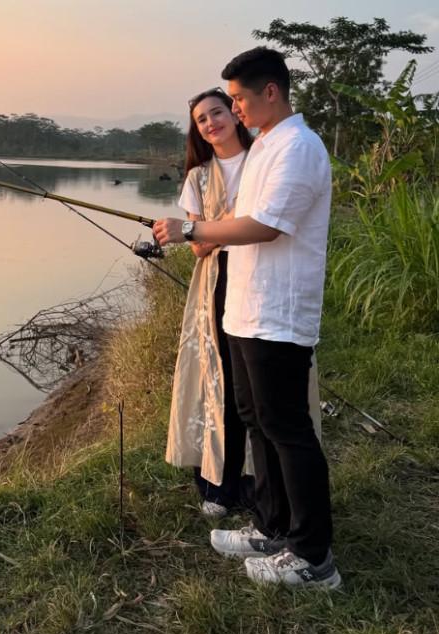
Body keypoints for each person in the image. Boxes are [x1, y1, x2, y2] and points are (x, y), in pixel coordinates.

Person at [153, 47, 338, 589]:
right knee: (258, 421)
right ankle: (274, 527)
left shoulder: (297, 148)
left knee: (289, 431)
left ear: (270, 93)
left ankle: (313, 558)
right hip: (245, 312)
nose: (231, 111)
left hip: (279, 315)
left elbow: (265, 226)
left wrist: (191, 230)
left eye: (236, 99)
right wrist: (199, 228)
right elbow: (237, 215)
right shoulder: (265, 149)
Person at [164, 88, 254, 518]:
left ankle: (258, 481)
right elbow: (198, 249)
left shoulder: (264, 162)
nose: (211, 122)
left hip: (260, 281)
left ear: (236, 114)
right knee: (218, 380)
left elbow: (272, 226)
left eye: (217, 112)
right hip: (216, 284)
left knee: (254, 383)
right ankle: (218, 481)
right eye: (201, 119)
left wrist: (204, 230)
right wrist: (219, 231)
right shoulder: (199, 177)